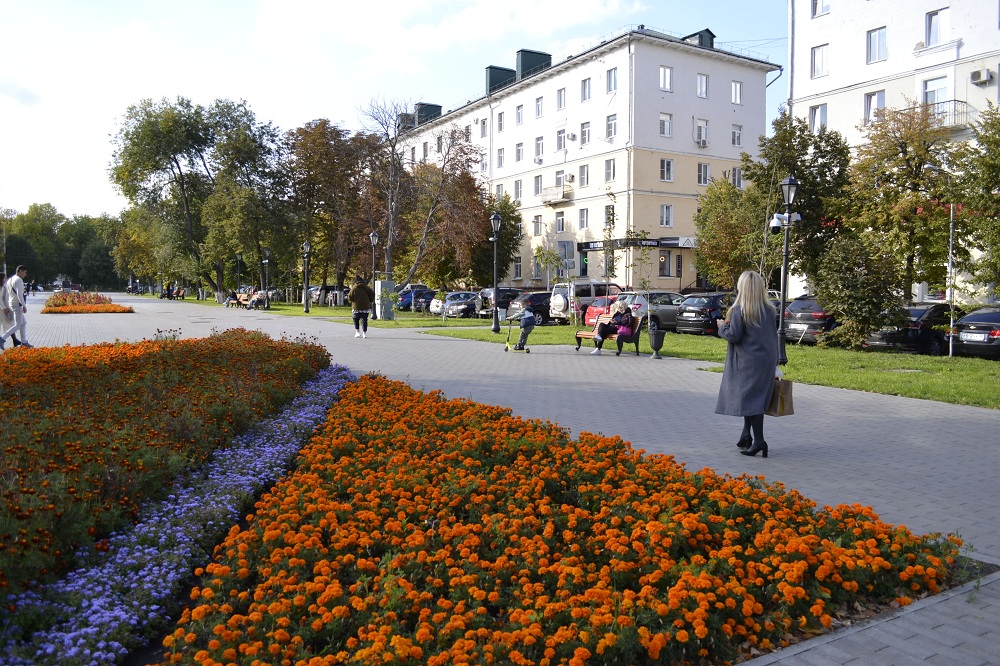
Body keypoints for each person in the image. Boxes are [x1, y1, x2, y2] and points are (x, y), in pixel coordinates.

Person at [715, 270, 779, 458]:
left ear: (742, 288)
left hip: (747, 362)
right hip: (765, 360)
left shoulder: (740, 310)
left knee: (751, 399)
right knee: (753, 397)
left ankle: (759, 440)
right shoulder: (768, 309)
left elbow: (733, 336)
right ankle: (746, 436)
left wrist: (722, 327)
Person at [2, 266, 32, 349]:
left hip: (12, 303)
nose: (25, 275)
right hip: (17, 304)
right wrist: (24, 305)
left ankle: (24, 342)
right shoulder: (19, 280)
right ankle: (2, 338)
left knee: (24, 323)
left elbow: (7, 294)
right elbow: (20, 295)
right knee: (18, 325)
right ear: (20, 271)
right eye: (25, 272)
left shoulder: (10, 279)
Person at [0, 273, 22, 350]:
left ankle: (14, 340)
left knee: (9, 324)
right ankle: (9, 340)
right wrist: (4, 308)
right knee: (9, 324)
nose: (6, 279)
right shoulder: (1, 287)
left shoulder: (4, 286)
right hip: (2, 309)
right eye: (4, 278)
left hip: (4, 309)